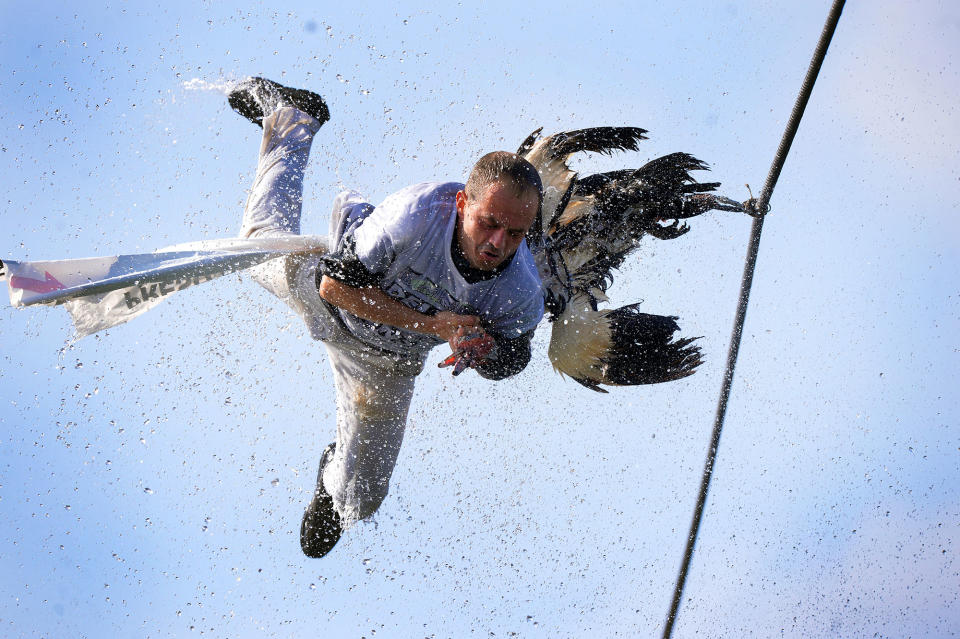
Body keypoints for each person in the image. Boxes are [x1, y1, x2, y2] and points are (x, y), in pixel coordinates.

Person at [229, 77, 544, 558]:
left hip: (386, 362)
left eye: (515, 233)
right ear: (462, 202)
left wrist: (488, 353)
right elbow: (334, 286)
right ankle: (293, 119)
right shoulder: (415, 214)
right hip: (332, 288)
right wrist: (437, 326)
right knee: (258, 248)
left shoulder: (520, 292)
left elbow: (514, 359)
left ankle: (332, 476)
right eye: (489, 223)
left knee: (361, 502)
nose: (497, 243)